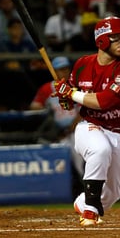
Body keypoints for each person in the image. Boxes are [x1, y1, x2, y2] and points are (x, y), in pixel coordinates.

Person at [52, 16, 120, 226]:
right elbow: (70, 101)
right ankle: (90, 213)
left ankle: (83, 203)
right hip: (91, 126)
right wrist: (65, 98)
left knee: (113, 194)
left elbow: (104, 101)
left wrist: (71, 94)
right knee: (100, 150)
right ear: (101, 41)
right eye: (115, 37)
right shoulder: (83, 64)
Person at [30, 56, 83, 196]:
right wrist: (47, 114)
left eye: (66, 69)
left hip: (78, 131)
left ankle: (88, 190)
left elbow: (85, 109)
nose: (64, 72)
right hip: (59, 135)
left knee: (81, 162)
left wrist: (73, 125)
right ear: (54, 71)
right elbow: (34, 107)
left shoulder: (76, 85)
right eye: (60, 70)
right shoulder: (47, 89)